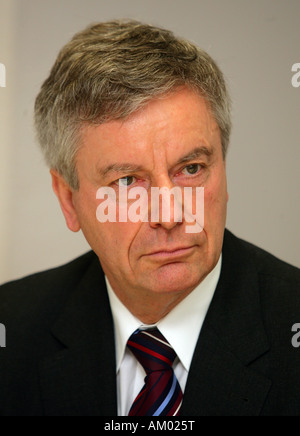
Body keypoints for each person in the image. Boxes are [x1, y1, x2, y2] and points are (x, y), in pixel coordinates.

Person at [0, 20, 299, 417]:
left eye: (190, 169)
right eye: (127, 181)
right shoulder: (12, 330)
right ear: (68, 199)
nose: (171, 214)